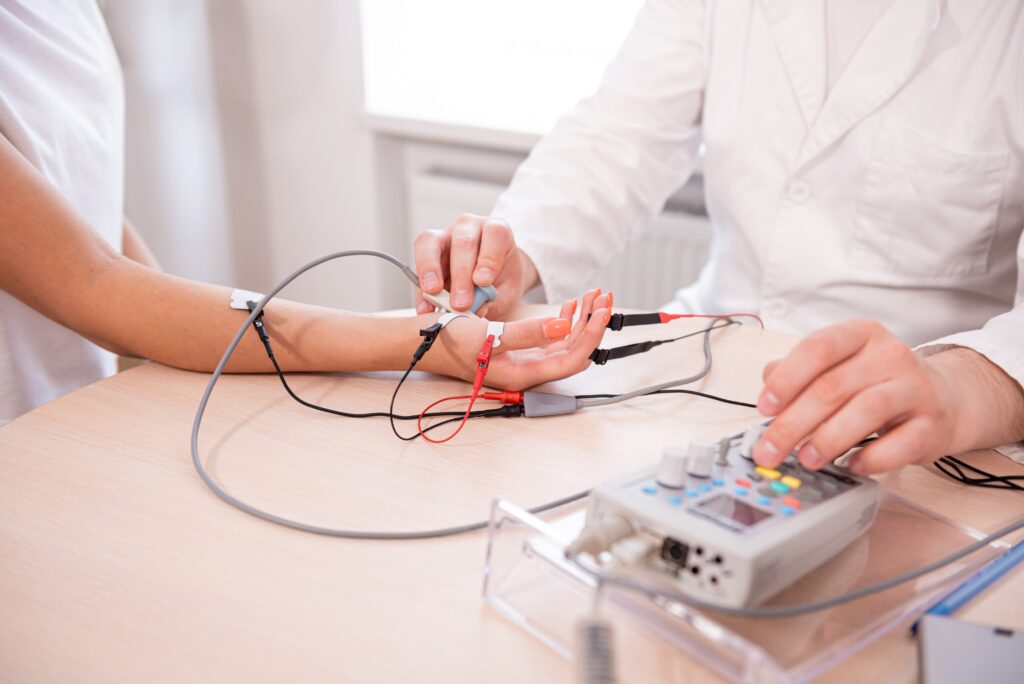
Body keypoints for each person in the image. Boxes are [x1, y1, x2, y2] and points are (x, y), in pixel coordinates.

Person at [413, 0, 1024, 476]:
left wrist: (960, 386)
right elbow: (617, 137)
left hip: (922, 427)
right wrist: (521, 251)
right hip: (709, 367)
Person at [0, 2, 610, 427]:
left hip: (73, 412)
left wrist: (166, 336)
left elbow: (89, 223)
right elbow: (92, 284)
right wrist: (424, 343)